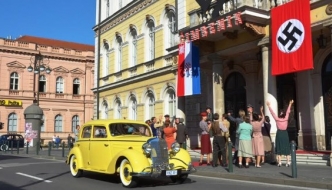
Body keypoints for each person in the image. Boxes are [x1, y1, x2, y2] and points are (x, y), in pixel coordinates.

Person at [267, 100, 294, 167]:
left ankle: (279, 162)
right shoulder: (286, 118)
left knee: (279, 147)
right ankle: (288, 162)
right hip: (285, 133)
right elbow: (288, 112)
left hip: (279, 133)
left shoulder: (277, 119)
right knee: (286, 147)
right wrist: (290, 104)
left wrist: (269, 106)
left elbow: (272, 113)